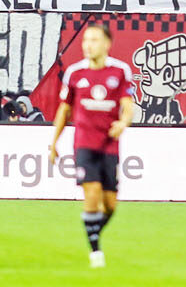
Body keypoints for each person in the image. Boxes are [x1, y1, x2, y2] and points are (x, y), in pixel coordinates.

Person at [47, 24, 135, 269]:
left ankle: (92, 231)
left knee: (111, 204)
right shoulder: (75, 73)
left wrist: (123, 123)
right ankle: (96, 252)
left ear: (107, 44)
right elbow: (64, 110)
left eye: (94, 40)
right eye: (86, 40)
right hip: (84, 144)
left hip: (109, 145)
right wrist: (53, 142)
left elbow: (128, 107)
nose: (88, 45)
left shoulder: (120, 71)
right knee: (92, 194)